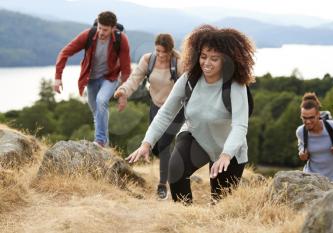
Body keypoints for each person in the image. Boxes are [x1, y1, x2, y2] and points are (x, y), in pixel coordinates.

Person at [125, 24, 255, 204]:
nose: (206, 63)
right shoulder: (189, 79)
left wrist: (225, 155)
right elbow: (165, 113)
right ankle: (183, 215)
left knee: (220, 203)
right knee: (176, 170)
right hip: (197, 138)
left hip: (229, 150)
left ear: (225, 60)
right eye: (203, 56)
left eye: (214, 59)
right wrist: (147, 143)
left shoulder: (235, 85)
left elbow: (240, 125)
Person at [114, 33, 184, 200]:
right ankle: (174, 162)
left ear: (170, 50)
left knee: (165, 144)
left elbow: (189, 84)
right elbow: (135, 78)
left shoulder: (178, 62)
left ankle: (162, 184)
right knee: (156, 147)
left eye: (164, 52)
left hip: (175, 110)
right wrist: (123, 90)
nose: (160, 55)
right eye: (157, 51)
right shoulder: (148, 60)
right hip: (156, 107)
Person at [54, 11, 131, 147]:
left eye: (105, 30)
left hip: (110, 77)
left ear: (113, 28)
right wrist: (58, 77)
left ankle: (100, 141)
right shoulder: (89, 35)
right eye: (99, 28)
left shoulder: (121, 39)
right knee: (97, 112)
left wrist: (123, 95)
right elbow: (64, 52)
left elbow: (126, 70)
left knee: (101, 101)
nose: (101, 32)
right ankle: (105, 144)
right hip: (91, 79)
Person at [296, 92, 333, 185]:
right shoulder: (301, 131)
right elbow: (301, 145)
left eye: (311, 117)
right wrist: (302, 152)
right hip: (311, 182)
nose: (307, 121)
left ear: (318, 115)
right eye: (304, 118)